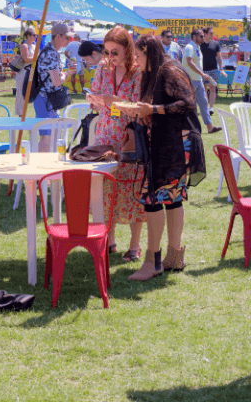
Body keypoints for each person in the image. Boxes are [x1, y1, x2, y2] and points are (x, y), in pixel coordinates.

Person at [128, 35, 206, 281]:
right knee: (172, 199)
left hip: (178, 143)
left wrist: (152, 110)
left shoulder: (170, 69)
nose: (137, 61)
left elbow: (187, 103)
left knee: (152, 199)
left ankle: (154, 261)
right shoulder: (157, 72)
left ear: (149, 52)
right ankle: (174, 257)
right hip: (170, 143)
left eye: (138, 56)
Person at [86, 27, 145, 261]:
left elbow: (140, 106)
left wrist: (117, 102)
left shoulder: (138, 72)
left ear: (127, 50)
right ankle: (109, 240)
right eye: (107, 51)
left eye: (115, 52)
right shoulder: (103, 67)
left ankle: (134, 246)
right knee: (106, 189)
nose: (110, 57)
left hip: (129, 134)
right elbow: (100, 99)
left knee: (132, 189)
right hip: (106, 133)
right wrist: (96, 102)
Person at [33, 23, 76, 152]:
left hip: (46, 100)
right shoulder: (51, 54)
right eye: (67, 38)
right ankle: (40, 168)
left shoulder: (49, 51)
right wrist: (68, 73)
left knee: (51, 137)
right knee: (47, 138)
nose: (69, 41)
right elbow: (57, 81)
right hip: (45, 100)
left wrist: (64, 73)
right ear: (58, 37)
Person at [182, 29, 221, 134]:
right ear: (194, 37)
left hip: (198, 80)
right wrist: (202, 74)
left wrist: (201, 75)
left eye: (203, 36)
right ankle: (186, 129)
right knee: (189, 105)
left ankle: (210, 127)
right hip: (190, 80)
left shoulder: (197, 47)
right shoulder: (189, 47)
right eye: (201, 36)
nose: (203, 38)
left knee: (204, 104)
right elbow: (189, 62)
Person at [201, 26, 227, 115]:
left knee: (212, 88)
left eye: (213, 33)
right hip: (202, 71)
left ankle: (211, 108)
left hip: (213, 70)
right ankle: (205, 107)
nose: (212, 34)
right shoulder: (199, 44)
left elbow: (219, 57)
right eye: (211, 33)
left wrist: (222, 69)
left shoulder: (215, 44)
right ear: (205, 34)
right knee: (203, 90)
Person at [15, 28, 37, 115]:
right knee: (21, 95)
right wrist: (37, 57)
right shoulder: (24, 46)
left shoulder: (34, 46)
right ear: (28, 36)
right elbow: (26, 59)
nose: (35, 37)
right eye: (34, 35)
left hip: (32, 72)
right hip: (23, 73)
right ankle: (21, 115)